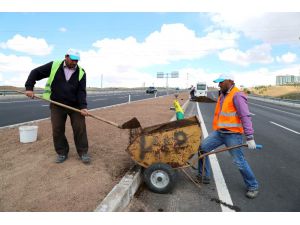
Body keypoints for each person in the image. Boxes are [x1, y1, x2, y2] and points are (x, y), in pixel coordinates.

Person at [197, 74, 259, 199]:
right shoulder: (223, 94)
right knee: (202, 148)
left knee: (239, 162)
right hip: (220, 133)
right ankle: (204, 175)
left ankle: (253, 186)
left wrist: (250, 137)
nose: (218, 85)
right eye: (218, 83)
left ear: (230, 81)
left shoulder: (237, 95)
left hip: (233, 135)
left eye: (221, 82)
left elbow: (245, 116)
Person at [25, 49, 91, 164]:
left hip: (75, 106)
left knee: (80, 128)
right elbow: (35, 72)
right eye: (73, 60)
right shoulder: (54, 65)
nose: (75, 63)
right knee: (57, 129)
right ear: (66, 56)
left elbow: (81, 91)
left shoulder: (81, 72)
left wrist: (83, 107)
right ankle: (62, 152)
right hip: (57, 104)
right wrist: (29, 88)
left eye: (77, 61)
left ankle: (83, 152)